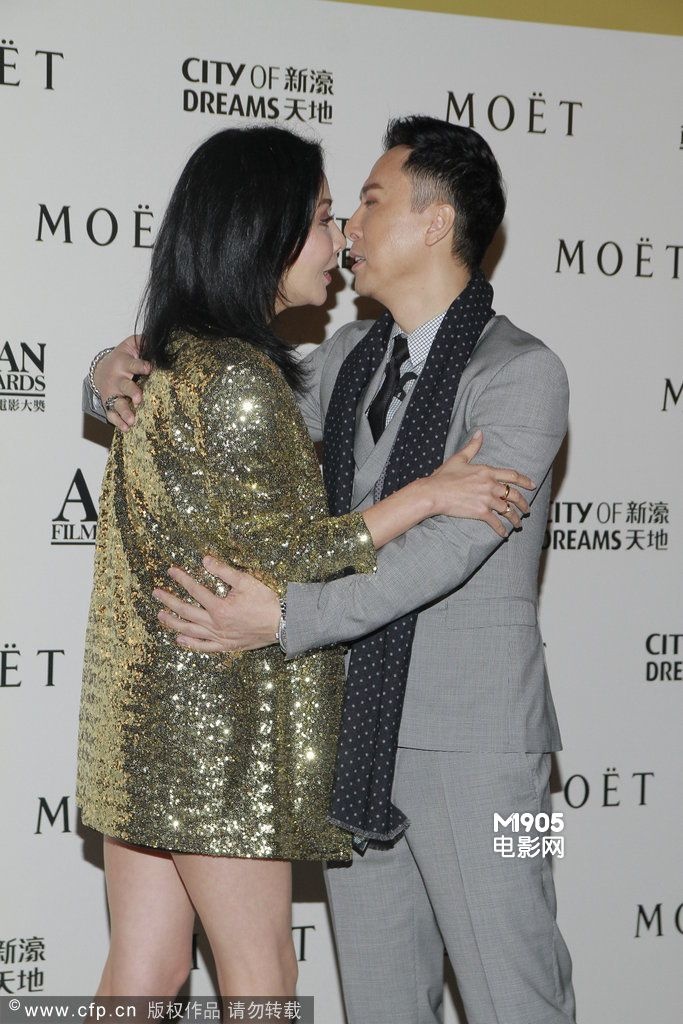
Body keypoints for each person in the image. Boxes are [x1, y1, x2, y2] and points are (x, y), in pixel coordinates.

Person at [77, 123, 534, 1005]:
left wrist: (287, 617)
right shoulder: (342, 361)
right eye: (332, 213)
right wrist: (103, 371)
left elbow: (451, 547)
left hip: (475, 752)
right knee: (365, 997)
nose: (348, 230)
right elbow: (217, 425)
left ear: (434, 223)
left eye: (366, 204)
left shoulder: (521, 372)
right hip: (352, 738)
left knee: (516, 987)